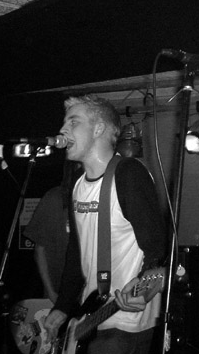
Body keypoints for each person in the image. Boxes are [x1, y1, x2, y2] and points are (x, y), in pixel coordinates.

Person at [43, 94, 167, 354]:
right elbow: (77, 253)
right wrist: (63, 306)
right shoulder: (77, 184)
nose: (63, 130)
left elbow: (157, 248)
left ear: (98, 128)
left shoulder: (128, 173)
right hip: (93, 315)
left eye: (73, 122)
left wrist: (144, 291)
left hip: (125, 321)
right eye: (64, 123)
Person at [23, 159, 77, 304]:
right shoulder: (54, 198)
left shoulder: (101, 197)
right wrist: (50, 292)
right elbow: (40, 250)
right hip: (57, 292)